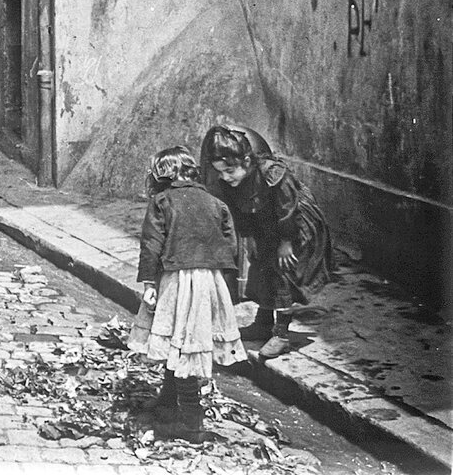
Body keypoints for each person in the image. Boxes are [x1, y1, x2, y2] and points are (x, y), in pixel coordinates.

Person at [127, 146, 246, 443]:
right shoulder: (215, 202)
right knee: (184, 342)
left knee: (181, 344)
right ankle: (168, 402)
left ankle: (192, 425)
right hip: (209, 281)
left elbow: (152, 244)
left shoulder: (162, 201)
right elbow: (232, 246)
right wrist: (225, 286)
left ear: (163, 174)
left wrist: (149, 284)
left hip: (177, 280)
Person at [201, 125, 334, 359]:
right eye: (220, 172)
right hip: (266, 226)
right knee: (262, 270)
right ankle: (263, 323)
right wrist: (249, 236)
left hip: (294, 227)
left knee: (283, 275)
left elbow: (288, 210)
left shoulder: (273, 175)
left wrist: (286, 242)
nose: (225, 177)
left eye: (230, 170)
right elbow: (239, 212)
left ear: (247, 160)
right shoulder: (230, 182)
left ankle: (281, 334)